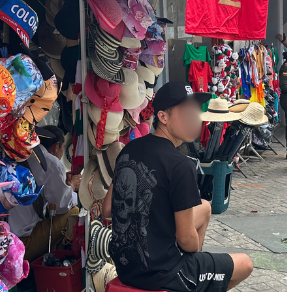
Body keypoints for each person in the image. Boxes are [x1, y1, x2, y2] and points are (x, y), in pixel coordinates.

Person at [104, 82, 253, 292]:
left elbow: (108, 209)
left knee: (205, 206)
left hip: (126, 267)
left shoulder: (130, 150)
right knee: (245, 263)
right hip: (161, 273)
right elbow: (186, 239)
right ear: (163, 118)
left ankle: (194, 276)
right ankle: (192, 280)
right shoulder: (180, 165)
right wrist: (192, 250)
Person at [10, 125, 81, 262]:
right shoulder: (51, 163)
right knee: (73, 213)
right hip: (22, 243)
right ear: (56, 146)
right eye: (62, 148)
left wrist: (63, 184)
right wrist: (72, 186)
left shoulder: (22, 153)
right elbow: (62, 206)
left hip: (8, 235)